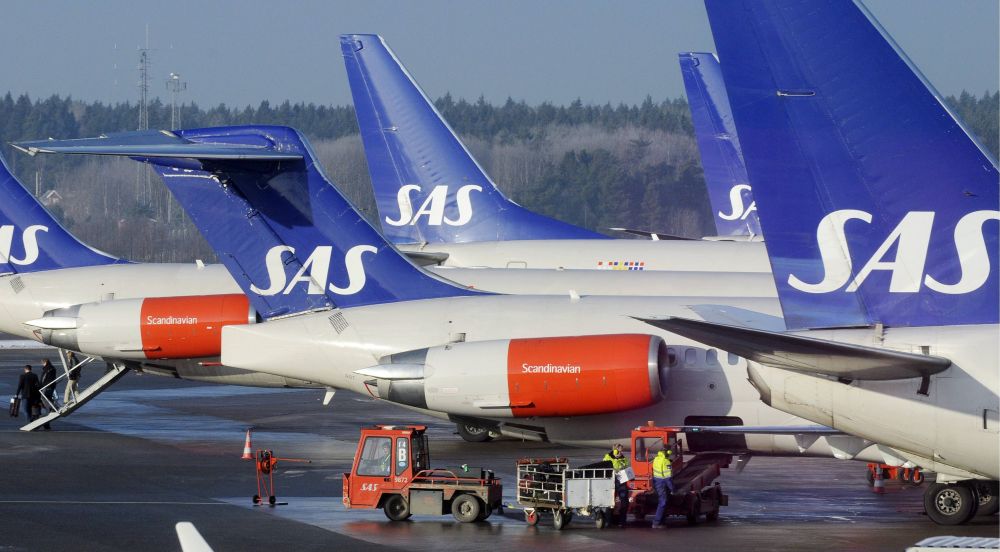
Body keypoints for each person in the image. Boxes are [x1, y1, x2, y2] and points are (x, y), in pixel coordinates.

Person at [603, 443, 630, 527]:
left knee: (624, 502)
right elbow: (604, 467)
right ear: (615, 450)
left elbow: (627, 467)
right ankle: (608, 521)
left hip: (621, 481)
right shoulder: (608, 457)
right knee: (610, 502)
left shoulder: (623, 458)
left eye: (621, 451)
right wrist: (615, 459)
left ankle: (622, 521)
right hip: (611, 481)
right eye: (620, 450)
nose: (621, 452)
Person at [651, 449, 674, 529]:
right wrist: (672, 489)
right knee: (663, 502)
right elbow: (668, 478)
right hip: (662, 484)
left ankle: (661, 522)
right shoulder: (666, 462)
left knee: (662, 502)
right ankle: (656, 522)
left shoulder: (656, 459)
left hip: (656, 482)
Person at [38, 359, 57, 430]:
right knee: (49, 397)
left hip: (46, 386)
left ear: (45, 362)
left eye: (42, 363)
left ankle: (50, 408)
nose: (42, 364)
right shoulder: (53, 368)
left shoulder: (47, 369)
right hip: (52, 386)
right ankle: (52, 407)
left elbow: (43, 378)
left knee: (43, 398)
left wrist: (41, 386)